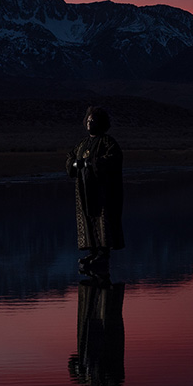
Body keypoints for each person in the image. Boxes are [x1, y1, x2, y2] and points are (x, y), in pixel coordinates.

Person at [66, 105, 124, 278]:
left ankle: (102, 254)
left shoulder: (108, 142)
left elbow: (113, 159)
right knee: (87, 218)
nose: (90, 123)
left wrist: (92, 164)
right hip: (84, 191)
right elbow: (70, 159)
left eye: (94, 120)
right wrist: (78, 165)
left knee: (102, 219)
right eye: (88, 120)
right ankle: (92, 251)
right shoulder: (82, 144)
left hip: (102, 192)